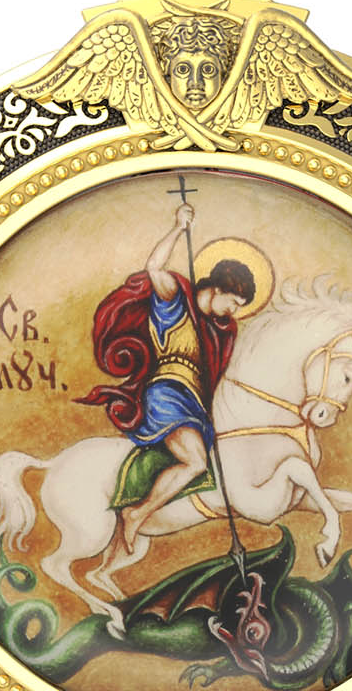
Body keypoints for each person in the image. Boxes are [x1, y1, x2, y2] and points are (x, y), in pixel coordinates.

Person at [78, 200, 255, 558]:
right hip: (166, 395)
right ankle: (136, 513)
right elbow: (154, 267)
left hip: (195, 404)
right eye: (234, 302)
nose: (234, 312)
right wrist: (178, 227)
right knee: (196, 462)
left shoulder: (218, 329)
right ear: (217, 289)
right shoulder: (174, 300)